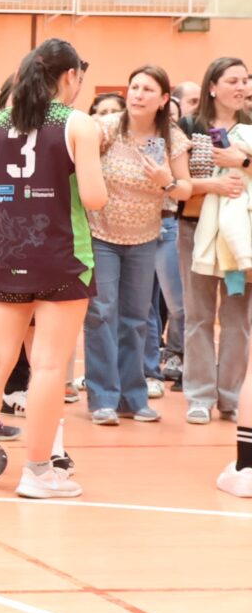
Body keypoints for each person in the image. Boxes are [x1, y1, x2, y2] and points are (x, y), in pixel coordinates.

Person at [0, 40, 107, 498]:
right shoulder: (78, 124)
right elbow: (94, 198)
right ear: (69, 76)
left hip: (8, 255)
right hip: (63, 257)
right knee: (48, 365)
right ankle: (38, 472)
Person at [84, 67, 178, 423]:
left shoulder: (171, 136)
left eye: (147, 89)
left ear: (163, 99)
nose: (138, 94)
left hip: (145, 237)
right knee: (101, 313)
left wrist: (167, 180)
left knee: (137, 318)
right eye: (134, 87)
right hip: (101, 234)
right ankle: (103, 398)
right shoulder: (108, 127)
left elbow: (184, 188)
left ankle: (133, 398)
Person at [176, 56, 251, 424]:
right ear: (212, 87)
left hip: (241, 235)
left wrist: (244, 162)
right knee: (198, 316)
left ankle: (231, 397)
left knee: (238, 320)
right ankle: (199, 396)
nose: (241, 87)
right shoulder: (190, 126)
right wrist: (215, 184)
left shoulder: (250, 126)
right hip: (195, 229)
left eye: (245, 80)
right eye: (232, 80)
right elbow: (176, 182)